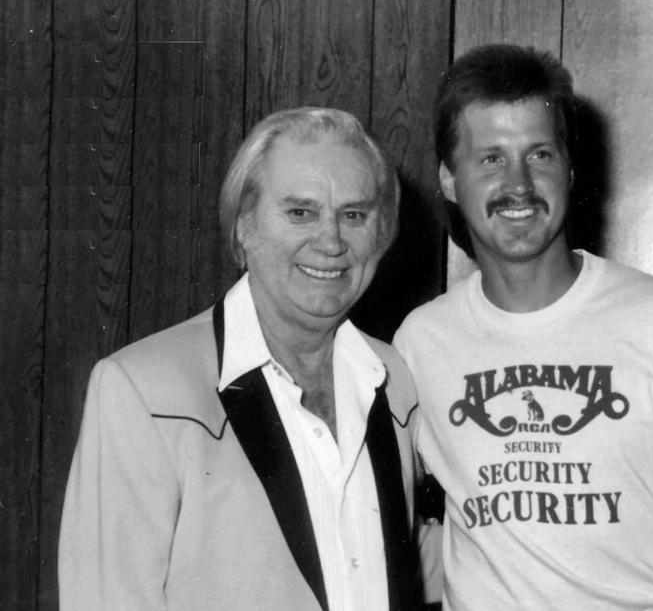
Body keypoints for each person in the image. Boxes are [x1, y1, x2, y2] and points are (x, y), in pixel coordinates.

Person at [393, 45, 653, 610]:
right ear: (449, 178)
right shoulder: (420, 342)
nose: (518, 183)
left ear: (569, 167)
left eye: (538, 154)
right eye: (490, 158)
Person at [59, 107, 429, 610]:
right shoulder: (143, 390)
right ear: (242, 228)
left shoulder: (396, 381)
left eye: (354, 215)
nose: (331, 241)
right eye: (300, 212)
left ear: (381, 235)